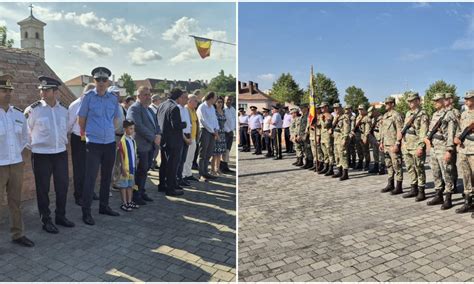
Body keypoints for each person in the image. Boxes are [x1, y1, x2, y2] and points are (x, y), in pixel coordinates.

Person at [26, 76, 75, 233]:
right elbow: (26, 133)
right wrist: (33, 147)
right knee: (43, 189)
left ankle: (60, 216)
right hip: (41, 155)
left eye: (46, 90)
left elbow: (67, 129)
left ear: (56, 92)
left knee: (62, 186)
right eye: (42, 90)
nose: (43, 93)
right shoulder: (33, 110)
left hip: (60, 153)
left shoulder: (64, 111)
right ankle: (46, 220)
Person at [78, 67, 121, 226]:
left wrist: (108, 131)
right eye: (98, 80)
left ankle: (104, 206)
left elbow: (116, 119)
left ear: (108, 81)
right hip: (94, 143)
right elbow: (81, 119)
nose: (101, 83)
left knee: (107, 176)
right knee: (90, 178)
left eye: (104, 80)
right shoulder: (88, 97)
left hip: (109, 142)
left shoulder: (112, 98)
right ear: (94, 81)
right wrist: (90, 133)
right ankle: (86, 212)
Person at [0, 74, 35, 247]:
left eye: (9, 90)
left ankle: (18, 234)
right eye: (3, 90)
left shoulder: (18, 114)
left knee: (15, 201)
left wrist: (24, 155)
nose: (7, 93)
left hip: (15, 164)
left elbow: (26, 137)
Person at [126, 86, 161, 204]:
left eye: (149, 94)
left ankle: (141, 191)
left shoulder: (149, 109)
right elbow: (138, 126)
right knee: (140, 171)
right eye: (145, 95)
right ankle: (136, 195)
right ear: (138, 96)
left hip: (150, 145)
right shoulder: (134, 108)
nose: (148, 97)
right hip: (140, 145)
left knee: (144, 170)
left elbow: (156, 124)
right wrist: (153, 137)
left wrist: (158, 134)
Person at [425, 93, 457, 210]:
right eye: (434, 101)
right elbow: (430, 130)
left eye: (437, 100)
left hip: (443, 147)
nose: (435, 103)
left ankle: (448, 198)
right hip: (434, 148)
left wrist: (449, 150)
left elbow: (450, 134)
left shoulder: (449, 115)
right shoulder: (434, 114)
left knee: (447, 173)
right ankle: (438, 195)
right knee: (435, 172)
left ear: (444, 101)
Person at [68, 83, 98, 206]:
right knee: (79, 169)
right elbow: (69, 125)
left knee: (92, 168)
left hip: (93, 138)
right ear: (84, 93)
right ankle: (79, 195)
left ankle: (90, 192)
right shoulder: (75, 105)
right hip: (79, 139)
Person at [156, 88, 187, 195]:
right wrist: (185, 124)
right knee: (172, 165)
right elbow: (176, 125)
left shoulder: (162, 105)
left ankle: (161, 185)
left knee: (164, 164)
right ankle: (170, 189)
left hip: (163, 139)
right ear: (178, 98)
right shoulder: (175, 108)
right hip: (173, 141)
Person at [401, 92, 428, 201]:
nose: (410, 103)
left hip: (416, 145)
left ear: (418, 101)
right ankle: (413, 189)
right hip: (407, 145)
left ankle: (421, 191)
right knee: (410, 168)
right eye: (409, 101)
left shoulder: (423, 114)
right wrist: (403, 143)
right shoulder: (408, 113)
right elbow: (404, 129)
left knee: (419, 168)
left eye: (412, 101)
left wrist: (421, 147)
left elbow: (423, 132)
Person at [454, 90, 474, 215]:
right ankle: (468, 202)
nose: (466, 101)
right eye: (465, 98)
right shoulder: (464, 114)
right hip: (463, 149)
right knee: (466, 176)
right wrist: (457, 138)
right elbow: (460, 129)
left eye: (469, 98)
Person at [380, 96, 404, 195]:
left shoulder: (396, 115)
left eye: (387, 103)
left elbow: (400, 130)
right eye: (385, 103)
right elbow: (383, 131)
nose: (385, 105)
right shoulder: (385, 115)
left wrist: (397, 144)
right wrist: (381, 142)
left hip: (393, 145)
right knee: (389, 165)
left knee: (396, 165)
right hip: (386, 144)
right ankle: (390, 184)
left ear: (392, 104)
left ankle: (399, 187)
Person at [116, 119, 138, 212]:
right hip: (125, 168)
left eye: (133, 129)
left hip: (132, 167)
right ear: (125, 129)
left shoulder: (132, 140)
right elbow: (121, 155)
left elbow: (134, 153)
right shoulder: (123, 141)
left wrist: (136, 161)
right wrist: (122, 168)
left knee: (130, 185)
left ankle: (129, 201)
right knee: (123, 186)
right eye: (130, 128)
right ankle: (124, 203)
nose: (132, 130)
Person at [183, 94, 200, 182]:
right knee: (185, 157)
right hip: (188, 137)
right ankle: (183, 175)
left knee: (191, 157)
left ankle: (188, 173)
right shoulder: (186, 109)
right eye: (195, 100)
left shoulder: (193, 110)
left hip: (193, 137)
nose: (197, 102)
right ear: (189, 101)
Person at [176, 91, 191, 186]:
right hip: (181, 137)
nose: (187, 99)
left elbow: (188, 124)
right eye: (185, 97)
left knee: (183, 159)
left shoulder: (185, 109)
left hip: (188, 135)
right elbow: (179, 127)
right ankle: (176, 178)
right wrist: (185, 138)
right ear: (180, 98)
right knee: (178, 159)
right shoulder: (177, 109)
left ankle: (180, 177)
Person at [332, 103, 351, 180]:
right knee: (337, 155)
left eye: (337, 108)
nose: (336, 110)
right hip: (336, 139)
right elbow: (333, 126)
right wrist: (335, 119)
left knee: (343, 155)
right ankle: (339, 171)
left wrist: (345, 139)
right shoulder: (336, 117)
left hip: (341, 138)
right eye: (334, 108)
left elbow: (346, 129)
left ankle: (345, 173)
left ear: (341, 108)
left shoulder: (344, 117)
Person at [367, 106, 385, 175]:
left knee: (381, 153)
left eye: (372, 113)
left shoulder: (382, 118)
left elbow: (382, 131)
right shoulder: (373, 119)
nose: (371, 115)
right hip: (374, 138)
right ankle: (376, 166)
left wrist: (381, 140)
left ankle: (382, 167)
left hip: (380, 138)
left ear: (375, 111)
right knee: (375, 153)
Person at [211, 96, 227, 176]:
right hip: (216, 132)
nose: (220, 104)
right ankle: (212, 169)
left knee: (220, 153)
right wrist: (215, 133)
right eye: (218, 102)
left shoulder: (223, 111)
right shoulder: (214, 112)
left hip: (222, 133)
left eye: (221, 102)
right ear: (215, 103)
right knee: (214, 153)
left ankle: (218, 169)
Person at [319, 102, 334, 175]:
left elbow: (326, 125)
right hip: (322, 136)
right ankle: (326, 167)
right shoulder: (321, 116)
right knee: (325, 153)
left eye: (323, 107)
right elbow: (319, 125)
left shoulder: (329, 116)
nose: (322, 108)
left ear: (327, 107)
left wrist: (322, 119)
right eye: (321, 107)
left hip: (327, 136)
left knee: (329, 152)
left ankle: (331, 168)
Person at [222, 96, 236, 173]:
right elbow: (223, 121)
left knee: (228, 150)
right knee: (223, 149)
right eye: (227, 100)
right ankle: (222, 166)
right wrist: (227, 130)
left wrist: (234, 130)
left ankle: (225, 165)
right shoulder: (223, 109)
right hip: (225, 132)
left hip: (231, 132)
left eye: (230, 100)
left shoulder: (233, 109)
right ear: (225, 100)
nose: (229, 101)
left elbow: (234, 120)